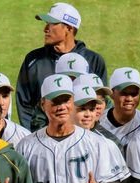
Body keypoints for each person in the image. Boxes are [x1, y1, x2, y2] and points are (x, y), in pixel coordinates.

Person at [15, 2, 107, 131]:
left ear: (69, 28)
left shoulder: (94, 60)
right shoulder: (33, 59)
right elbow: (24, 103)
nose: (45, 29)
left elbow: (101, 102)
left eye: (52, 24)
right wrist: (34, 135)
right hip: (42, 137)